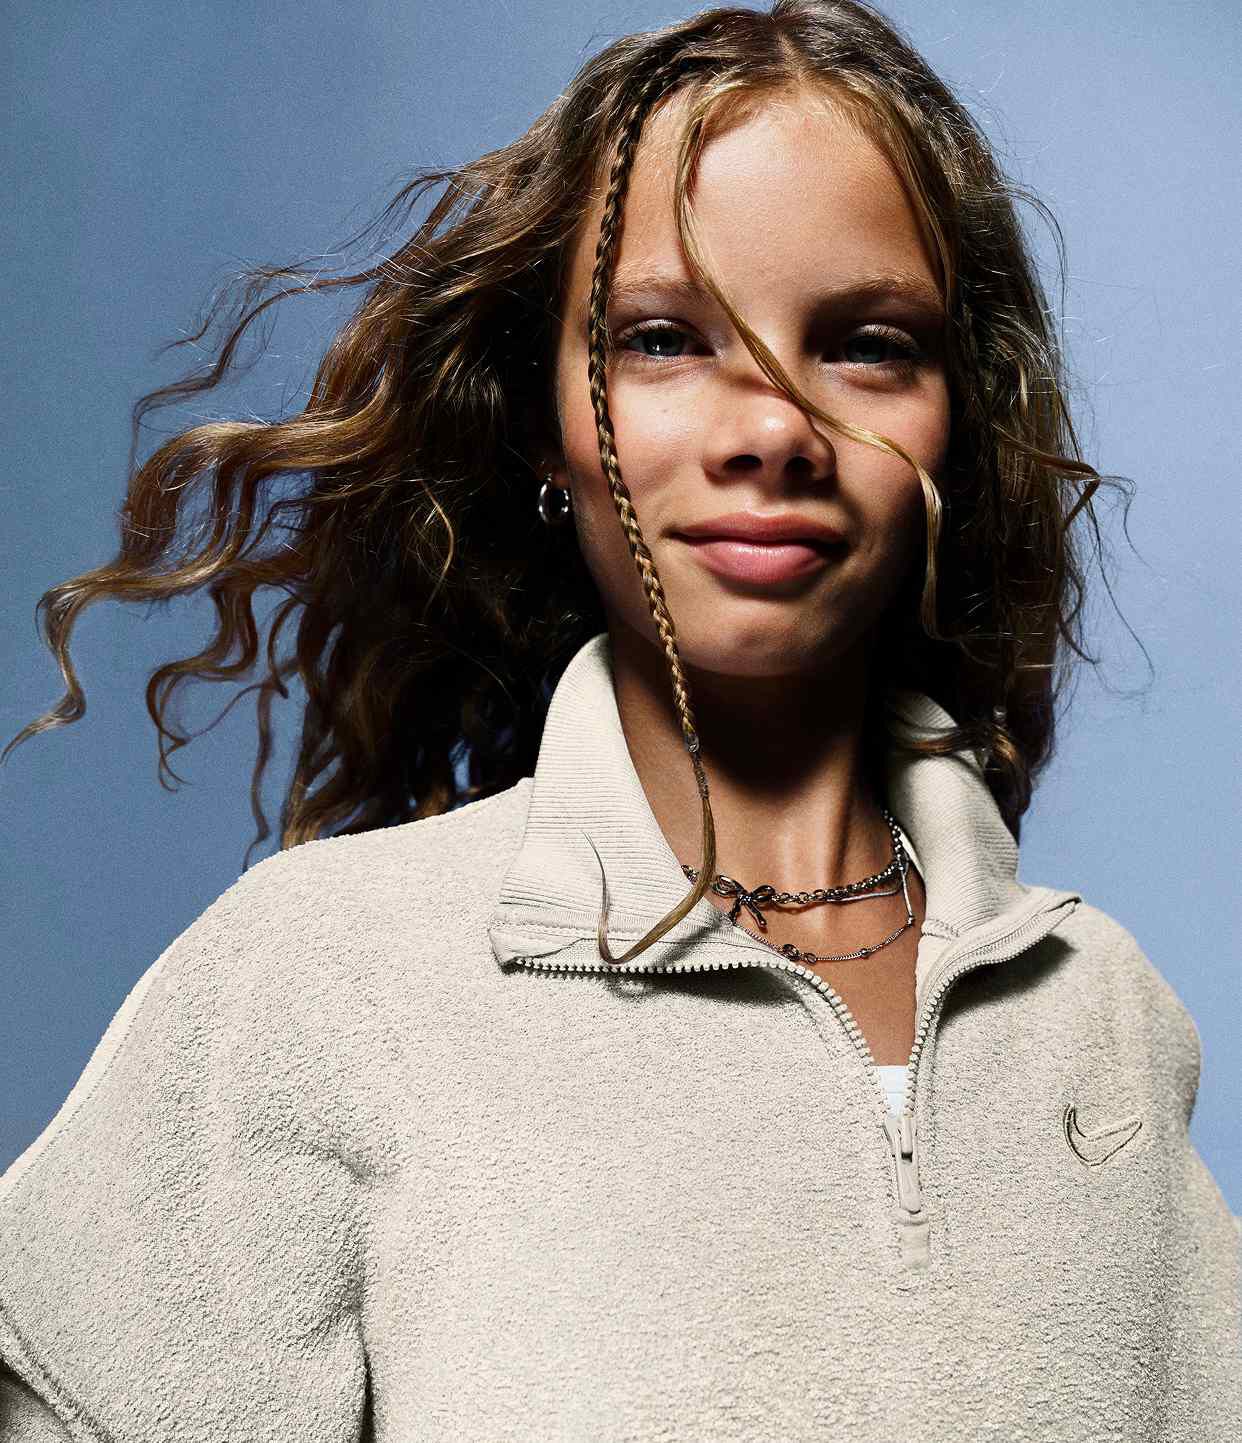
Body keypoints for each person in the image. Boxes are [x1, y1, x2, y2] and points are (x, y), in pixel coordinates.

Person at [1, 1, 1237, 1438]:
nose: (771, 429)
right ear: (547, 424)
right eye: (662, 341)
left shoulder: (1096, 1008)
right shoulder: (322, 984)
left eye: (866, 345)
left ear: (956, 422)